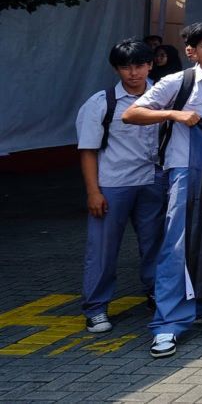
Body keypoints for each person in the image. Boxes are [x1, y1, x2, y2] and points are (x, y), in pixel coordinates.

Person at [123, 22, 202, 358]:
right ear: (192, 51)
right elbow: (132, 114)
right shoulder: (177, 82)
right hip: (184, 171)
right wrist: (173, 114)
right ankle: (167, 324)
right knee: (177, 248)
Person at [78, 40, 165, 335]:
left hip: (154, 181)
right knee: (102, 249)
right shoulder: (101, 102)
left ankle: (156, 294)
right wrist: (93, 191)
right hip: (113, 184)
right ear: (116, 69)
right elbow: (88, 149)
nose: (133, 72)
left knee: (155, 246)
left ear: (150, 65)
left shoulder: (164, 97)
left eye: (140, 65)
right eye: (126, 67)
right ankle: (96, 308)